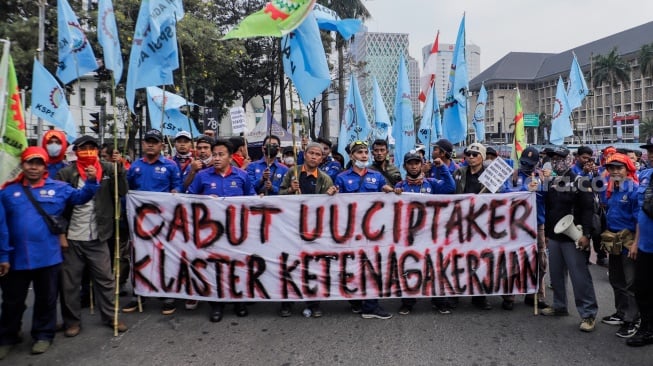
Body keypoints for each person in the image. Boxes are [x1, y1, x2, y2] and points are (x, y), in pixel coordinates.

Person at [0, 147, 99, 357]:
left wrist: (91, 182)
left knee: (46, 299)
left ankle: (43, 335)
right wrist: (3, 255)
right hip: (16, 259)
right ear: (23, 165)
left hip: (48, 257)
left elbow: (81, 198)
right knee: (12, 301)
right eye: (29, 162)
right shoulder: (8, 192)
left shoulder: (60, 188)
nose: (34, 167)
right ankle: (8, 336)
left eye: (38, 163)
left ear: (45, 167)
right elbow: (2, 227)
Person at [55, 136, 128, 337]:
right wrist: (61, 233)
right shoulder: (65, 173)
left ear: (97, 150)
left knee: (106, 280)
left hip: (99, 235)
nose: (88, 151)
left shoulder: (107, 168)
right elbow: (58, 207)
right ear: (76, 151)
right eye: (83, 148)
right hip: (73, 237)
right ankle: (72, 321)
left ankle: (111, 316)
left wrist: (119, 168)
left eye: (91, 147)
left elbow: (123, 191)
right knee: (70, 284)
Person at [187, 138, 255, 322]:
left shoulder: (242, 176)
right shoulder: (202, 176)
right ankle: (217, 305)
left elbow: (252, 199)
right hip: (211, 234)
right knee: (215, 268)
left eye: (221, 154)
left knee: (238, 267)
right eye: (214, 154)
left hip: (237, 233)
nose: (216, 158)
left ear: (230, 157)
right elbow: (189, 200)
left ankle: (239, 302)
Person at [539, 147, 599, 333]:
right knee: (556, 275)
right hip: (556, 235)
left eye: (560, 158)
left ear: (569, 160)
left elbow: (589, 209)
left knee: (580, 277)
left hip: (574, 236)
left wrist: (586, 235)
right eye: (553, 158)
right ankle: (559, 306)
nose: (556, 161)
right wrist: (548, 233)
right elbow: (549, 208)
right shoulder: (552, 181)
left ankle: (588, 314)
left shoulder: (580, 181)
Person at [123, 129, 182, 315]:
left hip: (163, 222)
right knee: (139, 256)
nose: (150, 145)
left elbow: (178, 186)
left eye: (154, 142)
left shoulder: (171, 166)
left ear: (161, 146)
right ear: (143, 144)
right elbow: (127, 190)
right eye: (147, 141)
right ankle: (138, 293)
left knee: (164, 256)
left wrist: (175, 193)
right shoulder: (135, 167)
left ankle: (167, 295)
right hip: (139, 221)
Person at [334, 140, 394, 320]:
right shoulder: (342, 178)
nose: (364, 156)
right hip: (351, 230)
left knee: (373, 266)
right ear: (352, 156)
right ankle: (356, 301)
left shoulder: (377, 176)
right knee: (353, 266)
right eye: (360, 153)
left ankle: (371, 305)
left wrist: (391, 191)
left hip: (373, 231)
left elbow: (388, 195)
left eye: (366, 153)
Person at [278, 142, 337, 317]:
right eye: (311, 153)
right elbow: (278, 197)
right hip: (291, 228)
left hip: (314, 230)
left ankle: (314, 303)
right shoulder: (293, 172)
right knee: (289, 265)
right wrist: (290, 190)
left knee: (313, 266)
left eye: (317, 155)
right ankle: (286, 303)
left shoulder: (325, 179)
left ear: (322, 158)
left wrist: (331, 195)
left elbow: (330, 205)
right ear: (305, 154)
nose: (313, 157)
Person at [453, 143, 513, 311]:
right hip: (461, 222)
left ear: (483, 157)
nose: (471, 157)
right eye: (468, 154)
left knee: (479, 260)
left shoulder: (492, 176)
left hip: (482, 224)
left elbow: (503, 196)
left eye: (475, 154)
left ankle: (479, 296)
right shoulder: (459, 173)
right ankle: (456, 292)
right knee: (459, 258)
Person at [394, 152, 455, 315]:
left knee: (435, 267)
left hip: (431, 234)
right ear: (405, 166)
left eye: (416, 163)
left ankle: (439, 301)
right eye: (410, 163)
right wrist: (394, 193)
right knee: (408, 268)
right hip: (409, 237)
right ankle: (408, 302)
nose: (413, 166)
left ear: (422, 165)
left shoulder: (432, 183)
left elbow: (450, 187)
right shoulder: (400, 186)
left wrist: (441, 167)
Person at [598, 153, 640, 338]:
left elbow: (640, 220)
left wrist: (635, 244)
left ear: (627, 169)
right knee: (616, 279)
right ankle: (621, 313)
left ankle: (633, 320)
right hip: (613, 239)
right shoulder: (612, 188)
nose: (615, 171)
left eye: (619, 168)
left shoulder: (634, 190)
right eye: (611, 168)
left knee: (631, 283)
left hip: (629, 240)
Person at [626, 140, 653, 347]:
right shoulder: (645, 176)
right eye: (649, 151)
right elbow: (640, 212)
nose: (650, 155)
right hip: (645, 245)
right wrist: (635, 242)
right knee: (642, 289)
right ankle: (647, 328)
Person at [517, 147, 550, 310]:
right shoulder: (513, 176)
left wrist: (545, 184)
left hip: (538, 224)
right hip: (517, 225)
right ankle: (509, 295)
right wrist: (525, 190)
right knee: (516, 259)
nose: (525, 166)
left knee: (541, 261)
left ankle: (536, 294)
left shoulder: (542, 177)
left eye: (529, 164)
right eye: (523, 162)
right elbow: (506, 195)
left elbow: (549, 199)